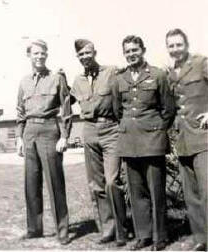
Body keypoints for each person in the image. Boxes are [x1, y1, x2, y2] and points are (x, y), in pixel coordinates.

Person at [113, 35, 174, 251]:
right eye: (127, 51)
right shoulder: (119, 78)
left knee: (156, 191)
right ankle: (144, 235)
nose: (131, 54)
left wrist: (156, 130)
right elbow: (117, 109)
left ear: (143, 50)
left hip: (152, 140)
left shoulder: (157, 75)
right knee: (136, 191)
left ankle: (160, 237)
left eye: (134, 50)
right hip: (129, 141)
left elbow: (168, 108)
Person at [70, 39, 130, 247]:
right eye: (81, 55)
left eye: (88, 53)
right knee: (96, 184)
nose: (85, 57)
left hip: (111, 129)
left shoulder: (111, 71)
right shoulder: (77, 81)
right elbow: (65, 102)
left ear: (95, 52)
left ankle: (122, 229)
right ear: (77, 58)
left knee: (112, 182)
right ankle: (108, 228)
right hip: (89, 130)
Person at [16, 39, 72, 245]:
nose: (40, 57)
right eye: (36, 53)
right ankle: (34, 228)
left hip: (50, 130)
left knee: (55, 182)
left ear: (47, 55)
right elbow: (20, 111)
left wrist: (65, 136)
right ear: (29, 55)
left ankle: (63, 230)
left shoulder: (56, 78)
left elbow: (66, 110)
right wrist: (20, 138)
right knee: (31, 183)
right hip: (30, 132)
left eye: (43, 53)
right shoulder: (24, 82)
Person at [165, 28, 207, 251]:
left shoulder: (201, 63)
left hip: (203, 137)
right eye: (171, 46)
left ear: (186, 44)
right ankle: (201, 239)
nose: (175, 49)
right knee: (191, 195)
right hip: (182, 140)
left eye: (178, 44)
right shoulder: (170, 72)